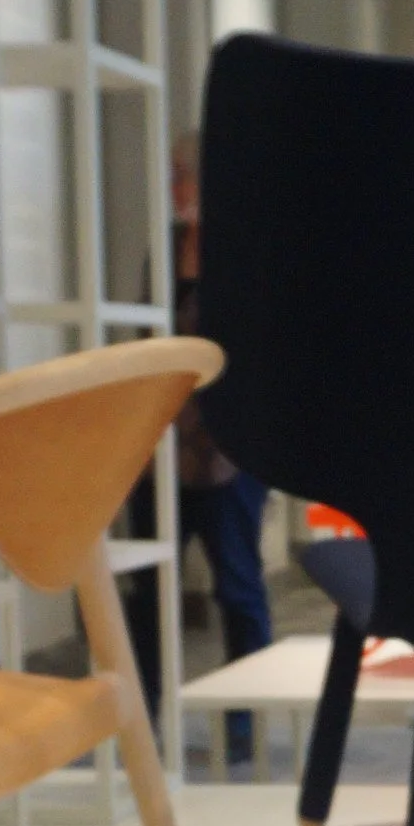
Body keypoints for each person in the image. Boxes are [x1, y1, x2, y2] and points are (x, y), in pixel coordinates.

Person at [171, 131, 272, 760]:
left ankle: (246, 722)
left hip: (231, 448)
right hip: (164, 443)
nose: (174, 189)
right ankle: (146, 717)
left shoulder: (245, 250)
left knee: (237, 584)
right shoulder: (166, 247)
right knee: (148, 587)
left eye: (182, 176)